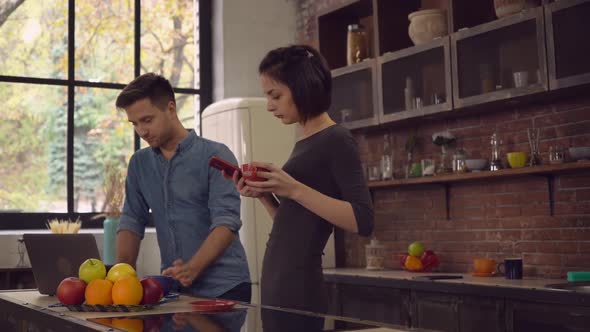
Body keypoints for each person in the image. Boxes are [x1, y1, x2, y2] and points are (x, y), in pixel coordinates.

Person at [225, 45, 374, 331]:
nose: (269, 106)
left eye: (275, 95)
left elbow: (363, 220)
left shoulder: (337, 139)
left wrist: (293, 189)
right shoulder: (306, 141)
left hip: (300, 288)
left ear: (302, 87)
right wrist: (267, 198)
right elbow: (297, 225)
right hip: (279, 284)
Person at [114, 73, 251, 302]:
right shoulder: (139, 163)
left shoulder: (215, 155)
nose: (141, 131)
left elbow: (226, 222)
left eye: (147, 120)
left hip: (226, 288)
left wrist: (193, 268)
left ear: (171, 108)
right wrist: (120, 275)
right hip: (173, 290)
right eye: (134, 124)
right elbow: (131, 220)